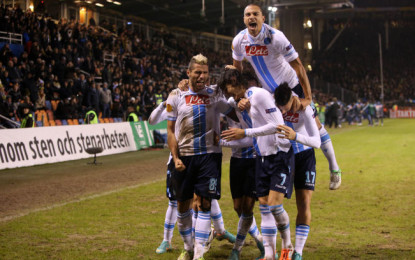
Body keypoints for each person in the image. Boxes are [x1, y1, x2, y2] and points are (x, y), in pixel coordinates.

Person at [231, 3, 342, 190]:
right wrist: (239, 96)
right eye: (248, 14)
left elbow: (298, 66)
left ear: (263, 18)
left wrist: (307, 97)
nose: (252, 17)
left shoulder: (276, 37)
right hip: (268, 92)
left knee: (315, 124)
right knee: (272, 125)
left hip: (291, 87)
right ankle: (273, 169)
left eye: (255, 14)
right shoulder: (239, 41)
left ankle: (334, 167)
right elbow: (236, 69)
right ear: (244, 19)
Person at [166, 54, 236, 260]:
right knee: (182, 205)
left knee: (205, 203)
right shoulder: (175, 95)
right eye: (197, 72)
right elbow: (170, 131)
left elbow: (234, 114)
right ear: (188, 73)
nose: (202, 76)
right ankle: (188, 248)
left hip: (209, 156)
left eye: (205, 73)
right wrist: (175, 156)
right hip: (184, 157)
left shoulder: (214, 94)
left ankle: (198, 254)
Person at [220, 68, 294, 260]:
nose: (228, 94)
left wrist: (245, 133)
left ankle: (288, 247)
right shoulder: (243, 100)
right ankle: (269, 254)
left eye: (229, 89)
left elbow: (278, 125)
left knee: (274, 206)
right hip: (261, 157)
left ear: (237, 82)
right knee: (264, 206)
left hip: (279, 154)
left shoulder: (259, 95)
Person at [217, 71, 265, 260]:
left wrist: (221, 142)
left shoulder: (253, 105)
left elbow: (254, 137)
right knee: (238, 207)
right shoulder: (229, 105)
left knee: (248, 206)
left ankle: (236, 248)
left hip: (254, 159)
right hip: (237, 161)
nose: (235, 95)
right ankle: (259, 239)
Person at [274, 83, 321, 260]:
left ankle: (298, 252)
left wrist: (295, 136)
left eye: (285, 110)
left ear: (292, 100)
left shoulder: (306, 109)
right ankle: (285, 246)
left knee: (303, 203)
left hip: (304, 156)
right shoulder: (276, 103)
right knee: (274, 202)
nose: (283, 114)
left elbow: (316, 142)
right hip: (284, 156)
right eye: (281, 111)